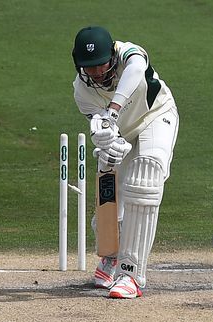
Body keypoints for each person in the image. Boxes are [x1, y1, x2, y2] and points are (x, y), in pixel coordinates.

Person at [71, 26, 179, 299]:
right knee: (110, 188)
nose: (95, 73)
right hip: (124, 129)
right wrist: (109, 144)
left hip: (156, 116)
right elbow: (106, 131)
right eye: (88, 67)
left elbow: (137, 69)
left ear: (112, 55)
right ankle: (111, 255)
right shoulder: (82, 93)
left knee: (144, 179)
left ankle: (130, 275)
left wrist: (112, 111)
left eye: (100, 65)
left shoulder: (129, 54)